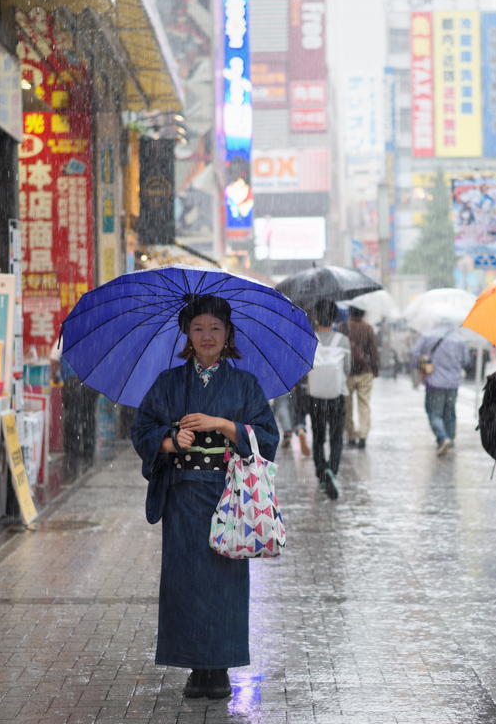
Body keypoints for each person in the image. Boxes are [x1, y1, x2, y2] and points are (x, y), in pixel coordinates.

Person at [130, 294, 279, 700]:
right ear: (187, 335)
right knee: (186, 582)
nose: (207, 336)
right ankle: (197, 669)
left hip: (230, 497)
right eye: (198, 329)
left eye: (215, 328)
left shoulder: (245, 385)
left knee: (225, 583)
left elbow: (268, 438)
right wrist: (168, 441)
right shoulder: (169, 383)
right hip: (183, 498)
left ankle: (221, 667)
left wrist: (224, 424)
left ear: (228, 333)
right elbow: (141, 428)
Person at [307, 299, 350, 497]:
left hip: (315, 396)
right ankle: (332, 470)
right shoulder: (343, 340)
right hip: (336, 396)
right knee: (335, 436)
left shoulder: (309, 338)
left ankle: (321, 472)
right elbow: (347, 369)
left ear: (315, 318)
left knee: (318, 437)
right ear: (335, 318)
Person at [410, 323, 470, 456]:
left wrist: (420, 363)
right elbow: (466, 360)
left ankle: (443, 438)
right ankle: (450, 440)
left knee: (434, 412)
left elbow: (414, 352)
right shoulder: (458, 338)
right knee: (450, 412)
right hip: (453, 383)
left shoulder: (428, 335)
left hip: (434, 382)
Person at [342, 306, 380, 450]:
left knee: (347, 405)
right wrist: (375, 369)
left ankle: (351, 435)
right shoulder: (368, 328)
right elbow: (374, 350)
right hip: (365, 371)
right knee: (364, 404)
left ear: (350, 312)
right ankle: (363, 436)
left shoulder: (343, 327)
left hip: (347, 373)